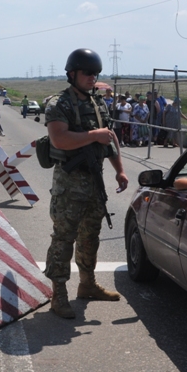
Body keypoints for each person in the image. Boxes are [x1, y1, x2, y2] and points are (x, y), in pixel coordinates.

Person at [43, 48, 129, 319]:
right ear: (72, 74)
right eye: (87, 73)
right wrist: (94, 135)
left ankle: (87, 283)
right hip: (69, 186)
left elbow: (110, 139)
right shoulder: (60, 104)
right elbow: (60, 140)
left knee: (90, 236)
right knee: (64, 238)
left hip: (94, 183)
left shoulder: (97, 103)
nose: (93, 78)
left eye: (96, 73)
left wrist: (120, 171)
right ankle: (58, 294)